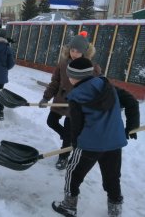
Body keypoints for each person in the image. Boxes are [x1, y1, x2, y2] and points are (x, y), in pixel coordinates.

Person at [52, 57, 139, 217]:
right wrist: (132, 126)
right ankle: (115, 209)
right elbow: (132, 101)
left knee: (73, 172)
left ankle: (69, 206)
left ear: (75, 77)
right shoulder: (108, 87)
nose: (68, 78)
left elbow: (76, 126)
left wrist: (76, 142)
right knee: (112, 176)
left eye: (69, 75)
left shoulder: (76, 96)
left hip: (89, 145)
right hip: (114, 142)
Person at [38, 33, 101, 170]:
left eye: (78, 51)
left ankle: (63, 157)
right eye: (72, 50)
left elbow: (96, 87)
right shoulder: (63, 64)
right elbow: (55, 82)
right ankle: (68, 138)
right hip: (60, 100)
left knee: (68, 132)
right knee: (51, 121)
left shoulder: (89, 67)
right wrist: (46, 97)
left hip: (75, 106)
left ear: (84, 52)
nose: (74, 53)